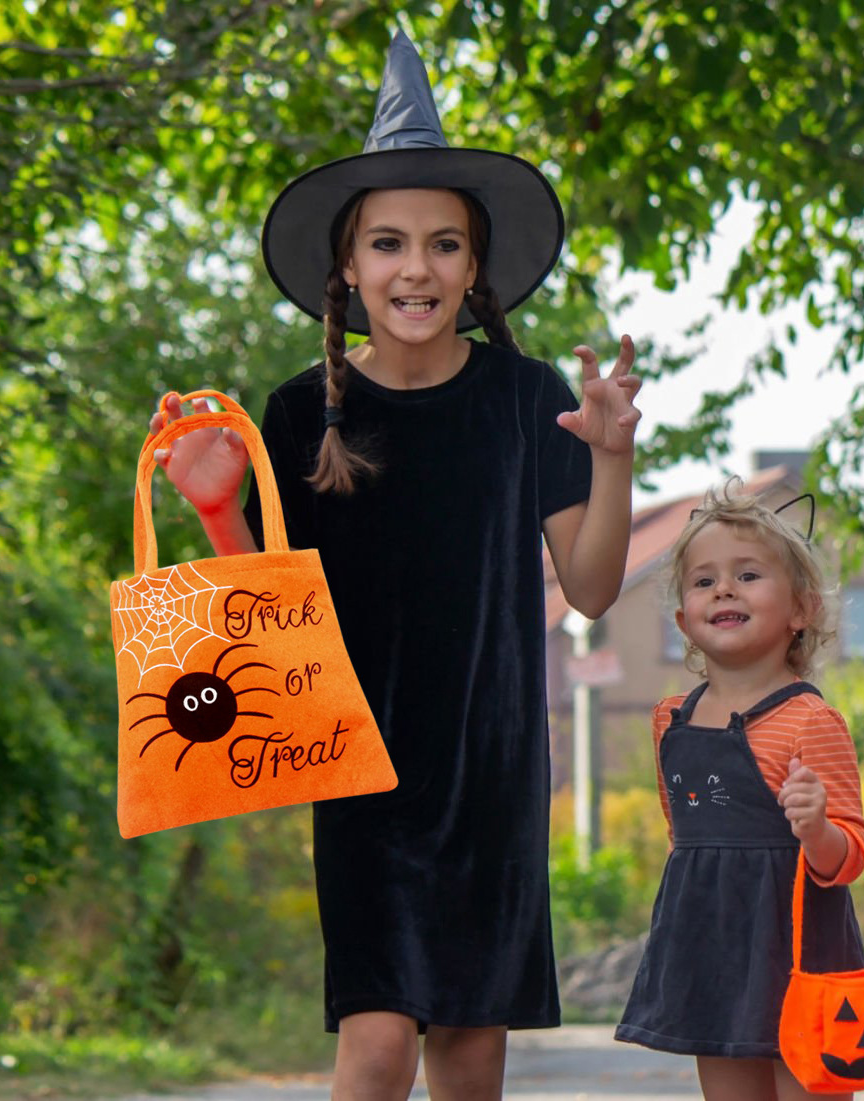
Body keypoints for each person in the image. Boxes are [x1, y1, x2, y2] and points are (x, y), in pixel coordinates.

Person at [148, 31, 641, 1101]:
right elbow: (265, 621)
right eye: (387, 243)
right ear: (347, 267)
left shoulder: (526, 396)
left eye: (443, 244)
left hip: (490, 766)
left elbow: (595, 588)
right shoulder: (295, 411)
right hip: (359, 765)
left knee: (468, 1053)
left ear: (474, 268)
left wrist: (613, 457)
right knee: (374, 1044)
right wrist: (216, 506)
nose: (415, 267)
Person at [615, 481, 864, 1101]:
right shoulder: (669, 720)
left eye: (748, 574)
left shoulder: (812, 721)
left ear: (801, 609)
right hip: (710, 952)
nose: (723, 588)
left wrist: (817, 831)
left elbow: (851, 858)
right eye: (704, 582)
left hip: (801, 955)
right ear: (684, 621)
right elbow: (687, 840)